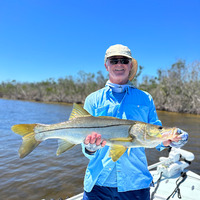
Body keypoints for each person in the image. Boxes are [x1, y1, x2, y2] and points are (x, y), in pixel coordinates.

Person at [81, 44, 188, 200]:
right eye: (114, 60)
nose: (119, 64)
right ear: (106, 65)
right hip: (98, 183)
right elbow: (86, 150)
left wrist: (173, 141)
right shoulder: (93, 100)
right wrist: (90, 148)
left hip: (135, 185)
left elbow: (157, 138)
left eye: (124, 60)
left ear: (130, 65)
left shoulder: (145, 98)